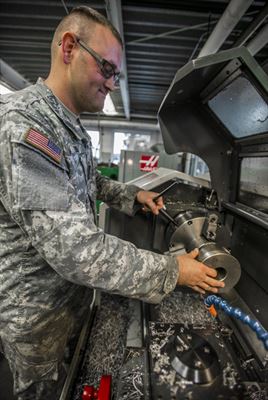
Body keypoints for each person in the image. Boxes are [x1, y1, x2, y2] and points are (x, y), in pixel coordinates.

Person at [0, 6, 224, 400]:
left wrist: (129, 194)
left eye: (115, 74)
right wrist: (172, 271)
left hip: (70, 303)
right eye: (106, 68)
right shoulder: (26, 126)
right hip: (36, 318)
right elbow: (76, 250)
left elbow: (85, 181)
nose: (111, 82)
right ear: (69, 48)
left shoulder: (66, 124)